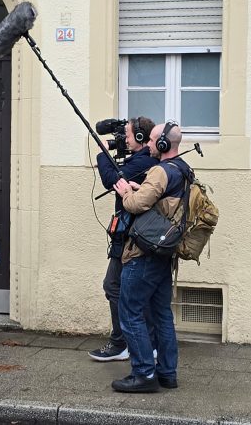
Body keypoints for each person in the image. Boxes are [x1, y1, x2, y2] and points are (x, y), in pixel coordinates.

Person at [111, 122, 191, 393]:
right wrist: (139, 188)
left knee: (130, 312)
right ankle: (167, 373)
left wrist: (125, 192)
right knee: (161, 315)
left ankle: (144, 373)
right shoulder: (183, 169)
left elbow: (135, 204)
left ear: (163, 144)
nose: (148, 145)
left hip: (143, 252)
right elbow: (162, 201)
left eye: (153, 140)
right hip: (163, 252)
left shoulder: (159, 171)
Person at [88, 117, 158, 362]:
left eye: (127, 136)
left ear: (140, 138)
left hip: (131, 236)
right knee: (133, 290)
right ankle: (143, 342)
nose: (124, 140)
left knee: (114, 286)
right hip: (131, 234)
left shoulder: (143, 162)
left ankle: (122, 343)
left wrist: (102, 154)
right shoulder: (142, 159)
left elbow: (112, 179)